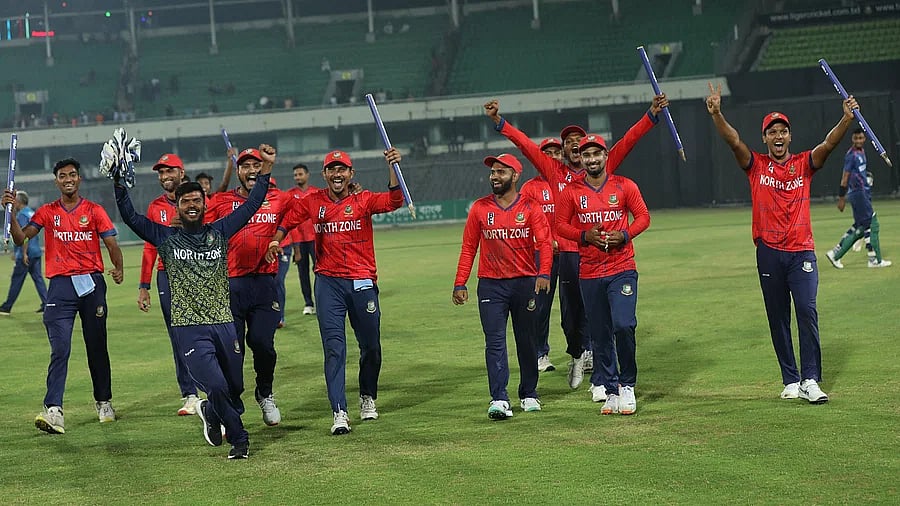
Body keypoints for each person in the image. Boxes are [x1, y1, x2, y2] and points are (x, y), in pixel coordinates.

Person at [485, 95, 666, 398]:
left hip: (603, 256)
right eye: (569, 140)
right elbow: (527, 147)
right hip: (571, 252)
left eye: (578, 140)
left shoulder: (602, 168)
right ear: (567, 149)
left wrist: (650, 115)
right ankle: (577, 354)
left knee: (603, 316)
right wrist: (499, 123)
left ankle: (600, 372)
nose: (573, 144)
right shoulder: (556, 173)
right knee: (572, 315)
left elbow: (628, 141)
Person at [114, 144, 277, 460]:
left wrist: (267, 169)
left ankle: (211, 412)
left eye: (196, 200)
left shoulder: (221, 230)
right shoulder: (165, 238)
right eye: (186, 200)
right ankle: (240, 441)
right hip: (190, 328)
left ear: (205, 205)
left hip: (224, 324)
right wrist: (119, 184)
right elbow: (130, 216)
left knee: (234, 388)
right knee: (215, 386)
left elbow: (254, 203)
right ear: (177, 205)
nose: (191, 204)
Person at [706, 82, 860, 404]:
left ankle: (811, 379)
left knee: (806, 310)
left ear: (790, 136)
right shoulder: (756, 166)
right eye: (772, 132)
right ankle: (790, 379)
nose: (778, 136)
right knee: (778, 316)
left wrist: (846, 119)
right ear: (765, 138)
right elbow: (733, 141)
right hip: (769, 253)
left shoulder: (804, 164)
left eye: (783, 131)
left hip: (801, 250)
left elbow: (829, 145)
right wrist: (718, 114)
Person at [267, 148, 404, 435]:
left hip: (362, 280)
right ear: (325, 175)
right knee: (334, 348)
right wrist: (276, 240)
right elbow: (289, 219)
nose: (337, 174)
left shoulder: (363, 199)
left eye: (342, 169)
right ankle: (339, 411)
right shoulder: (313, 200)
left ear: (351, 174)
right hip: (328, 282)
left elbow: (394, 200)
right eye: (332, 169)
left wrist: (392, 167)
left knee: (371, 347)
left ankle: (367, 397)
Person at [1, 158, 124, 434]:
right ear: (55, 181)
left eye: (72, 175)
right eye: (62, 175)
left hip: (92, 284)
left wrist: (118, 268)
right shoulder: (46, 212)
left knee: (96, 345)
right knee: (60, 349)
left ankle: (104, 402)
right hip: (60, 286)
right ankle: (53, 409)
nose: (68, 179)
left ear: (79, 179)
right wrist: (9, 214)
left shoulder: (94, 210)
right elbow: (21, 238)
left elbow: (111, 242)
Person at [556, 134, 651, 415]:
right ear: (581, 159)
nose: (591, 159)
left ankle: (628, 385)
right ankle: (611, 390)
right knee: (600, 334)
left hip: (622, 268)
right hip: (590, 271)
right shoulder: (572, 191)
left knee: (624, 325)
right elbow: (560, 225)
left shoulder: (624, 185)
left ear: (606, 155)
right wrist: (584, 236)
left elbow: (643, 216)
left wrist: (624, 235)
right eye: (586, 155)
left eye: (596, 154)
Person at [453, 153, 552, 420]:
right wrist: (460, 282)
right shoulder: (480, 208)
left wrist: (543, 273)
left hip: (524, 283)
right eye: (493, 172)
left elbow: (544, 243)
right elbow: (469, 247)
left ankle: (529, 393)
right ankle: (499, 398)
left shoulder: (531, 207)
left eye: (500, 172)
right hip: (491, 287)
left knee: (527, 342)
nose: (494, 177)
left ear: (515, 175)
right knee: (494, 343)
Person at [207, 147, 295, 427]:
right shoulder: (221, 202)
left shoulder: (279, 199)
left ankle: (265, 392)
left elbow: (304, 209)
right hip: (231, 285)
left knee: (262, 344)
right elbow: (198, 223)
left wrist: (277, 238)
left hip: (264, 284)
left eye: (256, 164)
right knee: (233, 351)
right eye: (244, 165)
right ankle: (230, 403)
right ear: (238, 170)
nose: (251, 170)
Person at [137, 154, 202, 416]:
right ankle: (189, 394)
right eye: (161, 173)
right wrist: (144, 285)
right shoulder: (155, 207)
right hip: (168, 274)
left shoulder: (198, 198)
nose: (165, 177)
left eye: (169, 171)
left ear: (181, 172)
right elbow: (150, 246)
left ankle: (214, 386)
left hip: (199, 272)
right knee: (178, 336)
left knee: (205, 331)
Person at [518, 138, 564, 373]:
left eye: (557, 152)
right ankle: (540, 354)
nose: (553, 157)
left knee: (577, 308)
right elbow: (525, 222)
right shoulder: (529, 188)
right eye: (548, 153)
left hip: (570, 253)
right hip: (540, 255)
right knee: (540, 307)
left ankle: (586, 351)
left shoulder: (569, 183)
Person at [825, 128, 891, 269]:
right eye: (856, 138)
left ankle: (835, 253)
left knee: (860, 227)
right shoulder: (851, 155)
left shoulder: (862, 152)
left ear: (864, 139)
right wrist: (841, 198)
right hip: (857, 193)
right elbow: (845, 177)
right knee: (872, 223)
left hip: (862, 192)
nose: (859, 141)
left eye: (861, 138)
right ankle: (873, 259)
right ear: (852, 139)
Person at [0, 191, 48, 315]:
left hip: (26, 254)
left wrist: (23, 253)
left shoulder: (21, 215)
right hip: (35, 251)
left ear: (18, 202)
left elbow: (24, 236)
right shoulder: (31, 212)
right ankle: (46, 303)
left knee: (17, 279)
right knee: (38, 278)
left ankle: (7, 306)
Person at [286, 163, 318, 316]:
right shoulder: (290, 195)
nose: (297, 177)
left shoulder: (316, 193)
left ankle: (322, 300)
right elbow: (291, 223)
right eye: (295, 175)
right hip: (299, 241)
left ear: (307, 175)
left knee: (321, 272)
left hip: (316, 240)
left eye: (300, 174)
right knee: (303, 274)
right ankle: (308, 303)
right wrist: (296, 248)